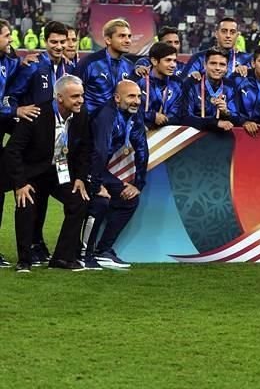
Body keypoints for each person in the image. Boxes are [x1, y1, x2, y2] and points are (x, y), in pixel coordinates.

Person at [1, 75, 90, 272]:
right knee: (26, 204)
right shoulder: (37, 114)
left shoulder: (81, 114)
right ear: (59, 97)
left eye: (82, 96)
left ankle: (62, 258)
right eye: (75, 96)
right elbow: (12, 150)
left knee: (79, 201)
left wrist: (80, 178)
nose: (80, 100)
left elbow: (85, 148)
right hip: (31, 173)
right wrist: (20, 183)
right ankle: (24, 260)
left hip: (60, 172)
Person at [86, 80, 149, 269]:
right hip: (83, 166)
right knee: (100, 201)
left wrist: (138, 184)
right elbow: (99, 151)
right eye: (131, 96)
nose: (136, 101)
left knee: (129, 199)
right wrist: (96, 186)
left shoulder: (134, 115)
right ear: (117, 98)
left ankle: (103, 250)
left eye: (139, 96)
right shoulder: (107, 116)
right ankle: (85, 253)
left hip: (98, 167)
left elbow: (142, 149)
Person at [73, 18, 136, 114]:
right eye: (122, 36)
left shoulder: (129, 66)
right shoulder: (89, 63)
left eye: (129, 36)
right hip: (91, 123)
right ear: (108, 40)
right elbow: (74, 94)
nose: (128, 40)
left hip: (118, 125)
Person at [180, 49, 243, 132]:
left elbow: (237, 120)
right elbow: (185, 118)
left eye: (222, 65)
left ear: (227, 68)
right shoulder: (192, 83)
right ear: (205, 65)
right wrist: (215, 123)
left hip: (221, 140)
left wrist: (226, 113)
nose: (217, 68)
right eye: (213, 63)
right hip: (194, 139)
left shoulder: (230, 86)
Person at [184, 17, 251, 79]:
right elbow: (182, 83)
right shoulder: (199, 58)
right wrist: (191, 78)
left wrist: (249, 72)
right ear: (216, 34)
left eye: (232, 32)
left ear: (237, 36)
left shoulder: (247, 59)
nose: (228, 36)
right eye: (224, 31)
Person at [137, 42, 184, 130]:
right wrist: (152, 116)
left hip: (166, 135)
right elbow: (129, 109)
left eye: (174, 61)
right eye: (168, 60)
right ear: (154, 61)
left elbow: (177, 113)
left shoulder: (177, 84)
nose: (173, 65)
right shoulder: (139, 80)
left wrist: (162, 120)